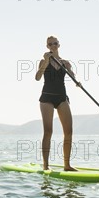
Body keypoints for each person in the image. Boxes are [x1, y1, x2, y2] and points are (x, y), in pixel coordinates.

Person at [35, 36, 79, 171]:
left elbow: (72, 76)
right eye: (50, 44)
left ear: (59, 45)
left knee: (69, 132)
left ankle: (67, 165)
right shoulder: (43, 61)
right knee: (48, 131)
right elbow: (37, 77)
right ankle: (46, 166)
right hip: (47, 98)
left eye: (55, 43)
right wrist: (46, 61)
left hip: (62, 98)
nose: (53, 46)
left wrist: (74, 77)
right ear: (47, 46)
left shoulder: (65, 63)